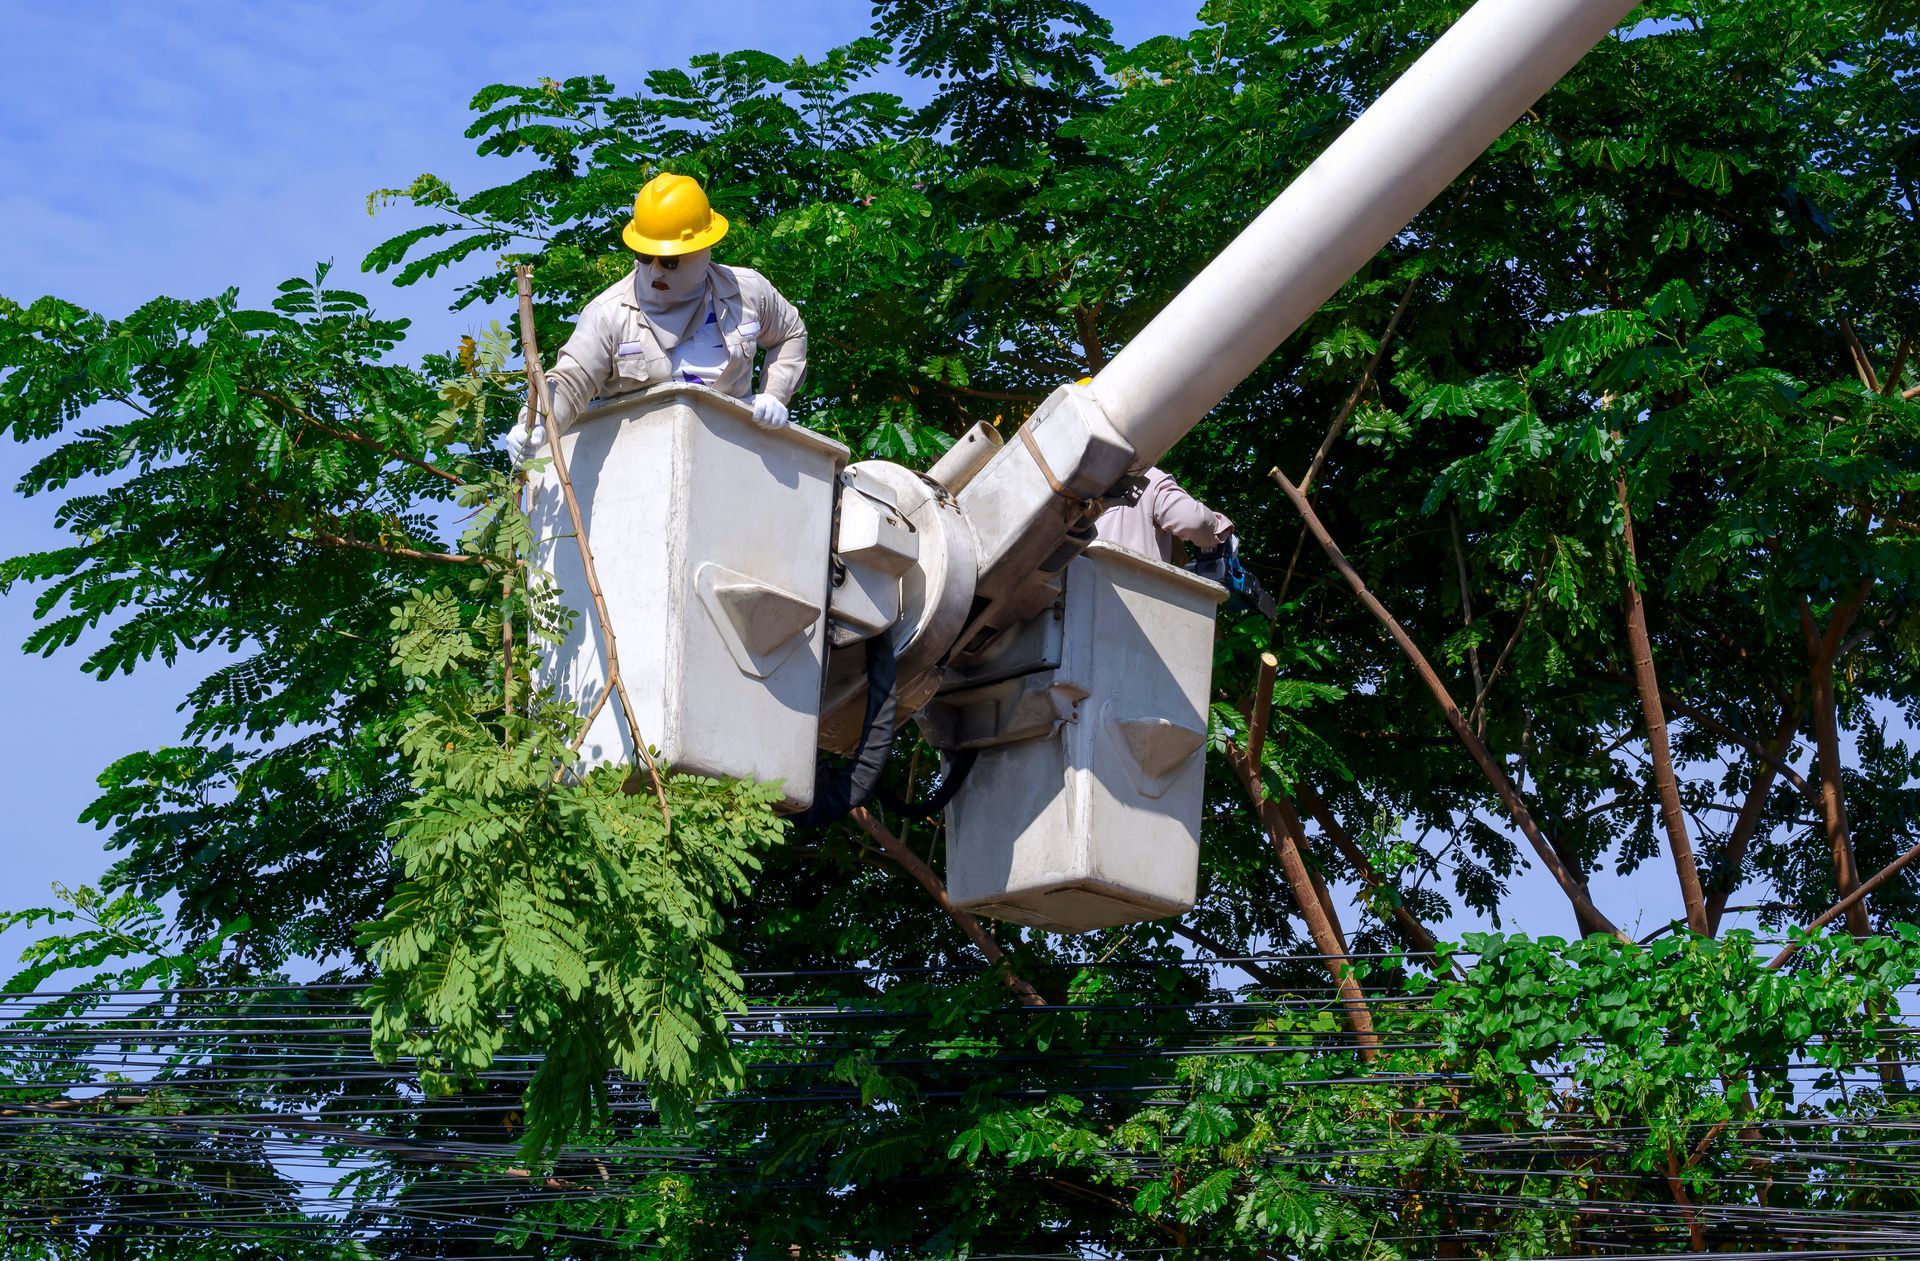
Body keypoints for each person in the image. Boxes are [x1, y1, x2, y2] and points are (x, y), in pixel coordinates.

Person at [507, 172, 808, 464]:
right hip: (642, 472)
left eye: (669, 261)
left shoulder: (747, 292)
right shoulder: (609, 314)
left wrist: (774, 394)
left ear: (704, 249)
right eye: (644, 256)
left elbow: (790, 334)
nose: (655, 271)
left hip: (734, 460)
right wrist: (536, 426)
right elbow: (572, 381)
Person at [1094, 465, 1234, 565]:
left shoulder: (1082, 484)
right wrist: (1221, 528)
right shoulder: (1148, 477)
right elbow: (1195, 521)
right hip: (1135, 593)